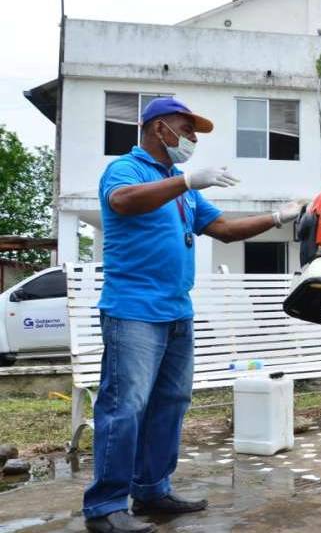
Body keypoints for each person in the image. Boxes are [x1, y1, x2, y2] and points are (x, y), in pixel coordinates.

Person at [84, 97, 304, 533]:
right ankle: (105, 507)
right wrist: (185, 180)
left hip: (176, 311)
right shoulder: (126, 170)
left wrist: (279, 216)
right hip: (133, 311)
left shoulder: (183, 190)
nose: (193, 140)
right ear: (158, 128)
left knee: (170, 403)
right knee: (125, 407)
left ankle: (152, 489)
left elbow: (224, 229)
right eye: (186, 130)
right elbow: (123, 202)